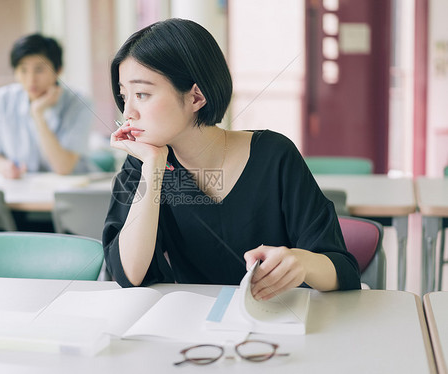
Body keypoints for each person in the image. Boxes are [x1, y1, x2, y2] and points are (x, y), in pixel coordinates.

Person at [103, 18, 360, 300]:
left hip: (280, 327)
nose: (128, 112)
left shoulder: (274, 155)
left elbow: (343, 270)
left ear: (196, 97)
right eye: (124, 96)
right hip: (196, 331)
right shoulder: (142, 164)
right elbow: (129, 274)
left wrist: (302, 263)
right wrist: (152, 164)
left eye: (142, 94)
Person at [0, 33, 93, 179]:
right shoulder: (1, 100)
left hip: (70, 193)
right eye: (23, 70)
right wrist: (5, 167)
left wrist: (38, 114)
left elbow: (63, 167)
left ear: (58, 70)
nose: (31, 79)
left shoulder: (79, 103)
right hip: (23, 191)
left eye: (39, 70)